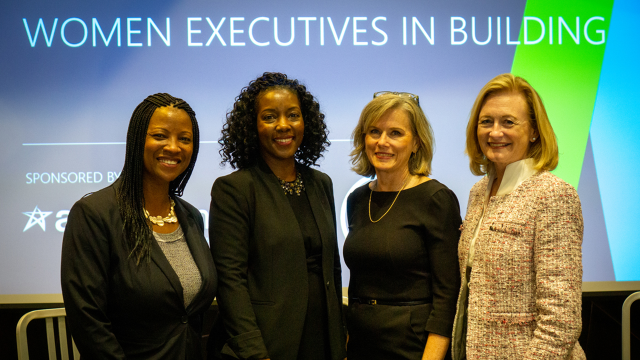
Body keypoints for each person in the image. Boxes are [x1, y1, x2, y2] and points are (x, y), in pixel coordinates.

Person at [61, 93, 217, 359]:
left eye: (185, 139)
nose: (173, 147)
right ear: (136, 140)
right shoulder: (94, 214)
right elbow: (88, 321)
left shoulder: (191, 216)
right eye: (160, 135)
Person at [207, 72, 347, 360]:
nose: (283, 125)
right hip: (267, 344)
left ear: (305, 122)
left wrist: (339, 337)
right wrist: (255, 352)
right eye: (270, 117)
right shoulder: (234, 189)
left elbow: (331, 267)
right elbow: (231, 282)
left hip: (323, 341)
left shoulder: (321, 183)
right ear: (252, 126)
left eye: (293, 115)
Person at [451, 74, 585, 359]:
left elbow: (561, 319)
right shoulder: (479, 191)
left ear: (534, 131)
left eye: (508, 122)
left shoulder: (553, 195)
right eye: (486, 121)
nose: (495, 132)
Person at [344, 92, 462, 360]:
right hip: (361, 344)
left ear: (416, 143)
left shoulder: (436, 198)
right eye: (374, 131)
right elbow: (359, 284)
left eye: (395, 133)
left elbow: (447, 296)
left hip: (412, 346)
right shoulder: (358, 199)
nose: (382, 142)